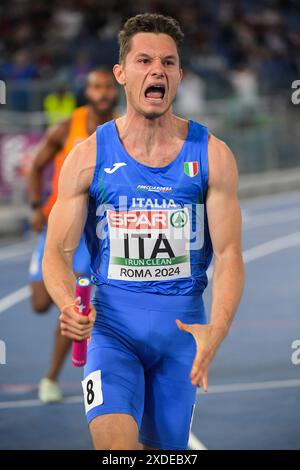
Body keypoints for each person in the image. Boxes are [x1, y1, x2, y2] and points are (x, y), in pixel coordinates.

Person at [42, 13, 244, 450]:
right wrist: (67, 305)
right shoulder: (89, 156)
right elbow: (57, 251)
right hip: (111, 328)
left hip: (182, 333)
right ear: (121, 73)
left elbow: (229, 255)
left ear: (179, 75)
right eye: (144, 60)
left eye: (169, 63)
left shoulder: (212, 156)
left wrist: (218, 330)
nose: (157, 71)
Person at [27, 68, 119, 403]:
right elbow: (36, 166)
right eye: (97, 86)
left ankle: (50, 379)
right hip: (58, 225)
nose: (104, 92)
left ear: (117, 87)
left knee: (74, 305)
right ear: (88, 91)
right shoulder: (67, 128)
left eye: (108, 86)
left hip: (93, 232)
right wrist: (37, 205)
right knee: (39, 303)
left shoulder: (124, 130)